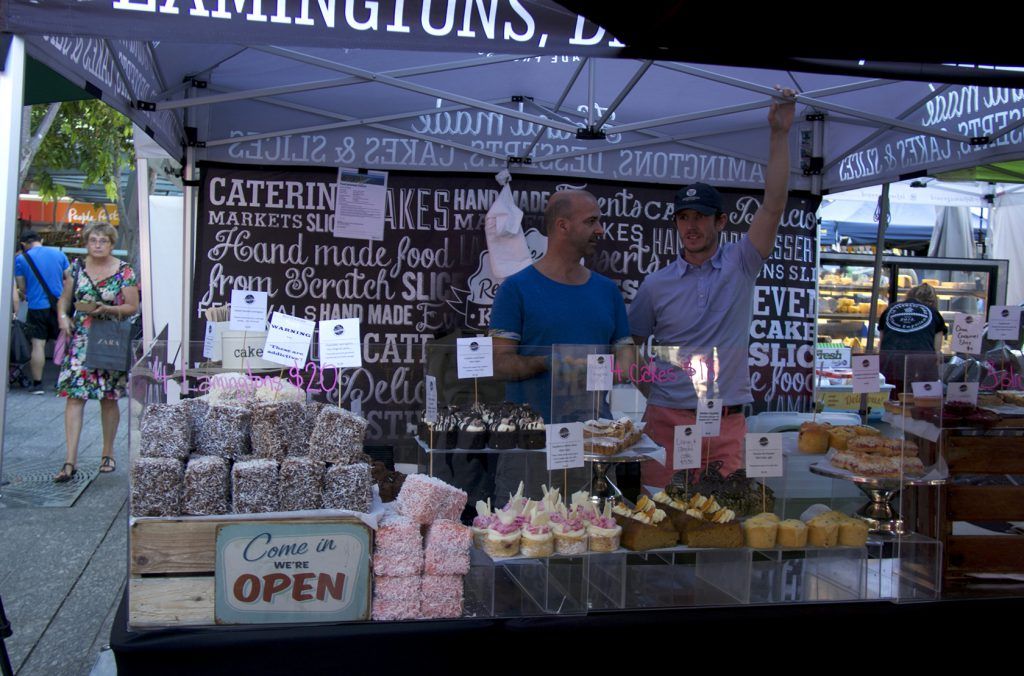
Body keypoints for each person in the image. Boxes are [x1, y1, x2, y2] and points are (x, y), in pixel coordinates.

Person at [628, 87, 797, 489]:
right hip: (667, 420)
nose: (691, 226)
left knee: (725, 522)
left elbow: (773, 204)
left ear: (720, 222)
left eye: (701, 217)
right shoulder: (656, 283)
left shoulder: (741, 262)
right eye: (683, 217)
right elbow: (628, 345)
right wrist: (656, 388)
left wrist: (779, 135)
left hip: (727, 421)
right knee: (659, 518)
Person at [489, 189, 632, 500]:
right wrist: (550, 361)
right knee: (523, 540)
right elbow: (500, 364)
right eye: (592, 221)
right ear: (562, 225)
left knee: (594, 540)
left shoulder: (608, 292)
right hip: (530, 445)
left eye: (600, 221)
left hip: (594, 445)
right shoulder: (516, 289)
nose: (600, 230)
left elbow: (626, 363)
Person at [53, 223, 139, 482]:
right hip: (80, 340)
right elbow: (64, 299)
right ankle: (70, 460)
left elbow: (133, 306)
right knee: (74, 397)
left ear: (112, 244)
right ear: (86, 242)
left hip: (108, 340)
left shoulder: (124, 271)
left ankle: (108, 451)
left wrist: (108, 309)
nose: (98, 245)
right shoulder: (76, 268)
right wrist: (62, 317)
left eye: (103, 240)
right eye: (93, 240)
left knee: (108, 398)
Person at [14, 230, 69, 394]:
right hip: (59, 306)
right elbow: (69, 278)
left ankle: (37, 384)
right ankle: (64, 381)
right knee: (62, 343)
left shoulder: (21, 259)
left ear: (24, 244)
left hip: (37, 307)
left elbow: (22, 287)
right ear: (42, 240)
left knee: (38, 344)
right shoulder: (59, 255)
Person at [878, 283, 947, 398]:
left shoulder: (890, 309)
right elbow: (936, 351)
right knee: (922, 403)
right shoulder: (933, 313)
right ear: (932, 300)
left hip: (890, 363)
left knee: (893, 401)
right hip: (922, 365)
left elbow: (881, 344)